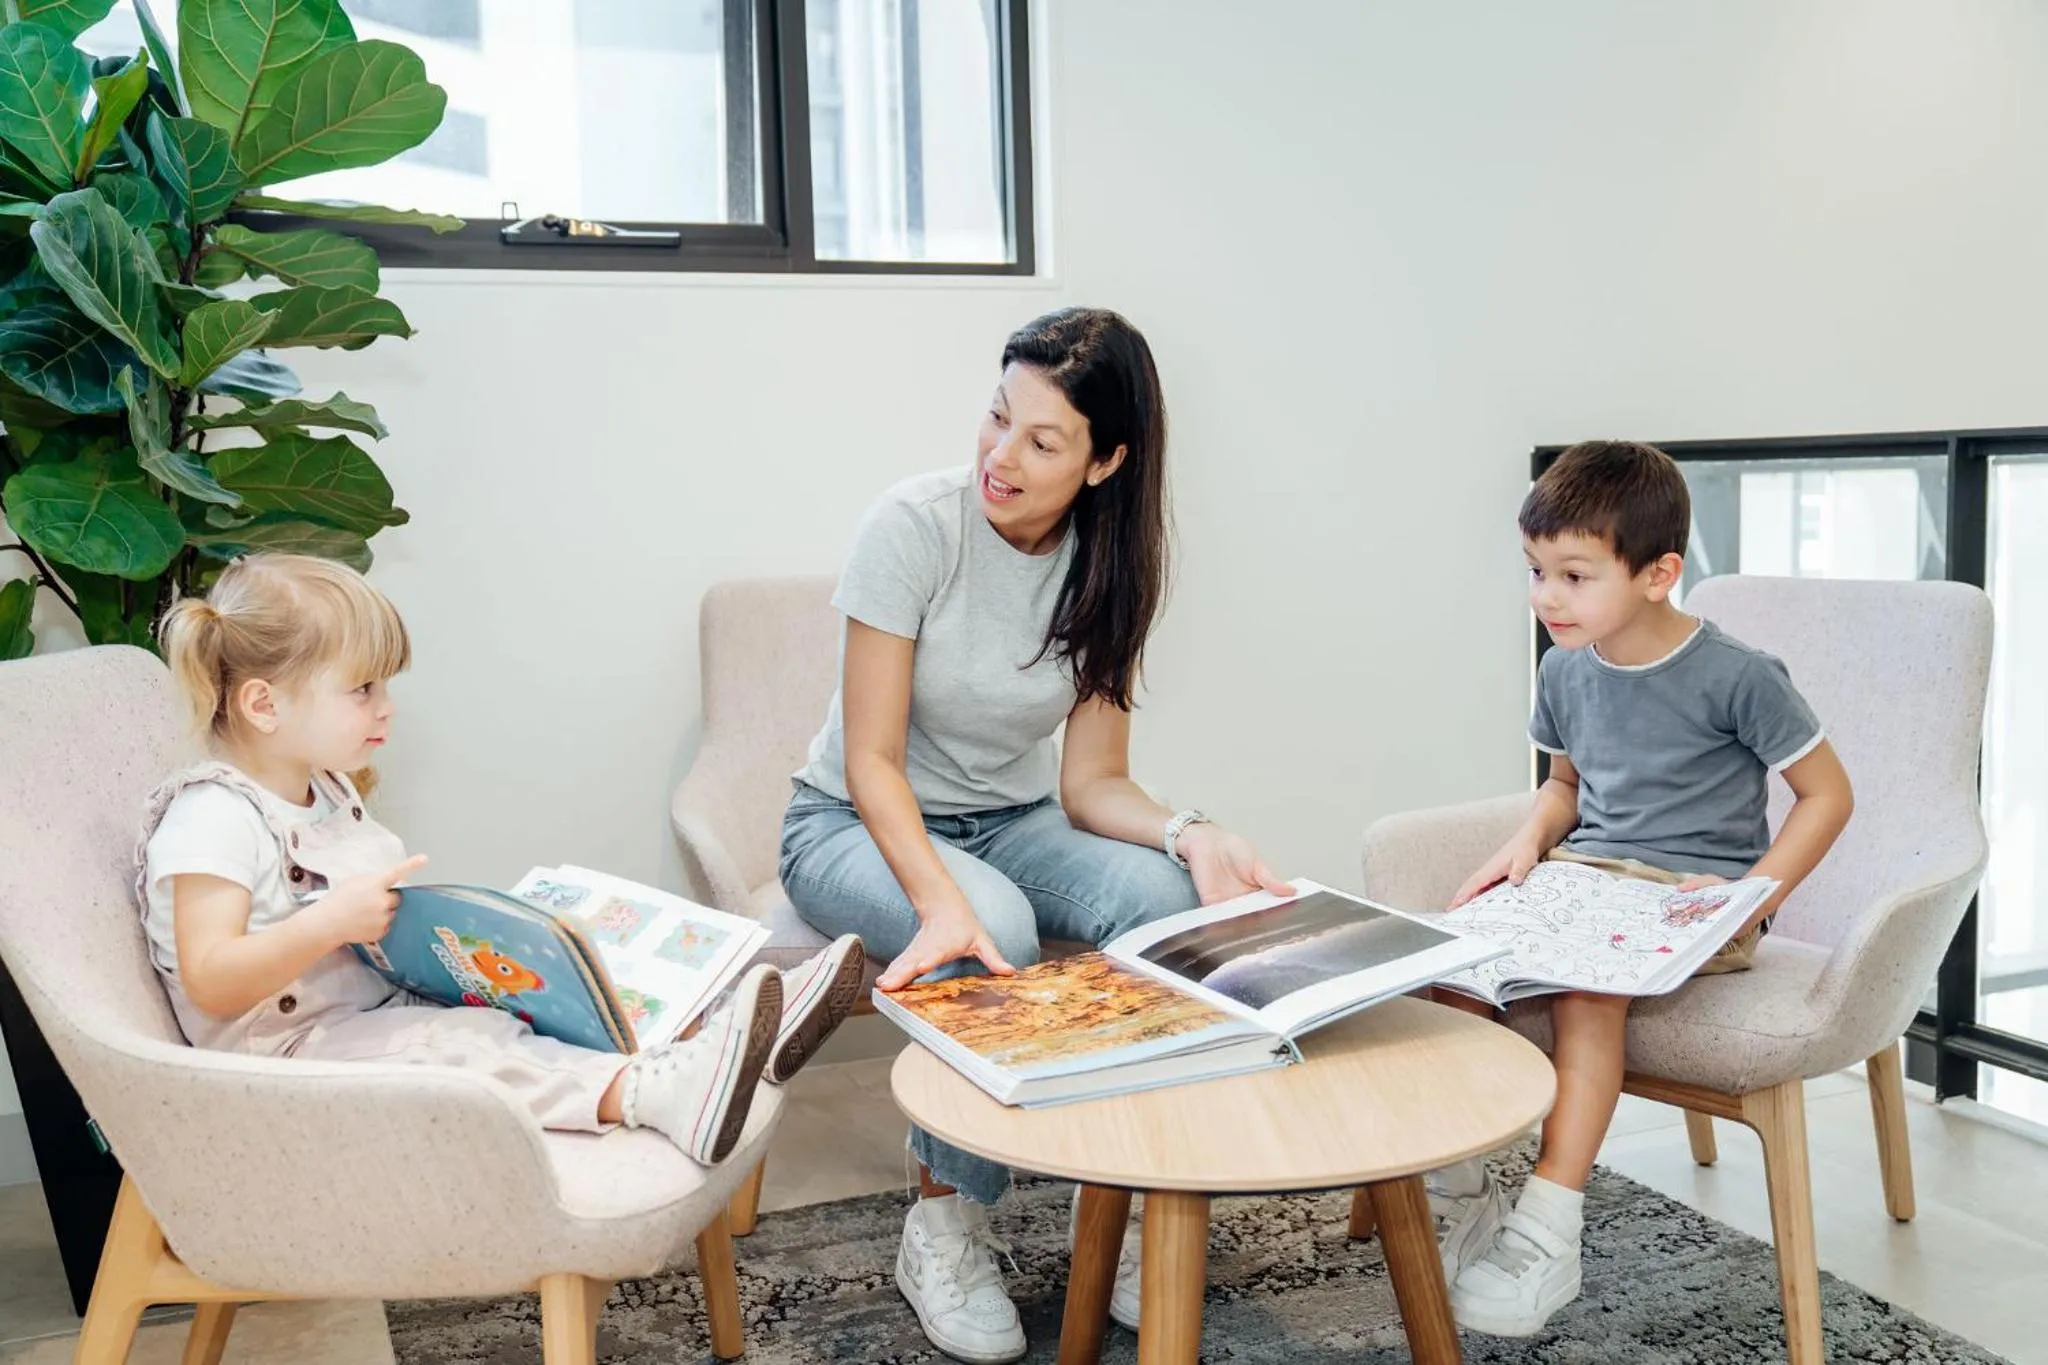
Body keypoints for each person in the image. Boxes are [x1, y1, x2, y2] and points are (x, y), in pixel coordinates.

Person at [779, 307, 1290, 1363]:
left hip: (1013, 820)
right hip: (847, 824)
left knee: (1163, 898)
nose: (999, 457)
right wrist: (938, 896)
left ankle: (1134, 1191)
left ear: (1106, 461)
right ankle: (943, 1225)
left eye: (1041, 440)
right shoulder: (913, 527)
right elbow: (872, 761)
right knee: (990, 925)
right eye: (996, 417)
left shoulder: (1111, 571)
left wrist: (1190, 833)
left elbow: (1094, 783)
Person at [139, 553, 865, 1168]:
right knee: (468, 1054)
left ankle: (720, 1038)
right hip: (284, 1063)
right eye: (363, 689)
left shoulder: (321, 789)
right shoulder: (211, 816)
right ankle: (654, 1091)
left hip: (362, 1015)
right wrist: (331, 921)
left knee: (524, 1005)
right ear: (264, 704)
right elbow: (211, 979)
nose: (387, 707)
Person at [1428, 440, 1854, 1337]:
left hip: (1696, 904)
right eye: (1536, 570)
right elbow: (1565, 789)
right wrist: (1523, 849)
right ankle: (1460, 1192)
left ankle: (1548, 1228)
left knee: (1589, 997)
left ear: (1659, 573)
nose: (1547, 596)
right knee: (1447, 972)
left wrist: (1751, 893)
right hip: (1590, 878)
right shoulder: (1563, 668)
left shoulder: (1739, 675)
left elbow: (1829, 795)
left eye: (1574, 576)